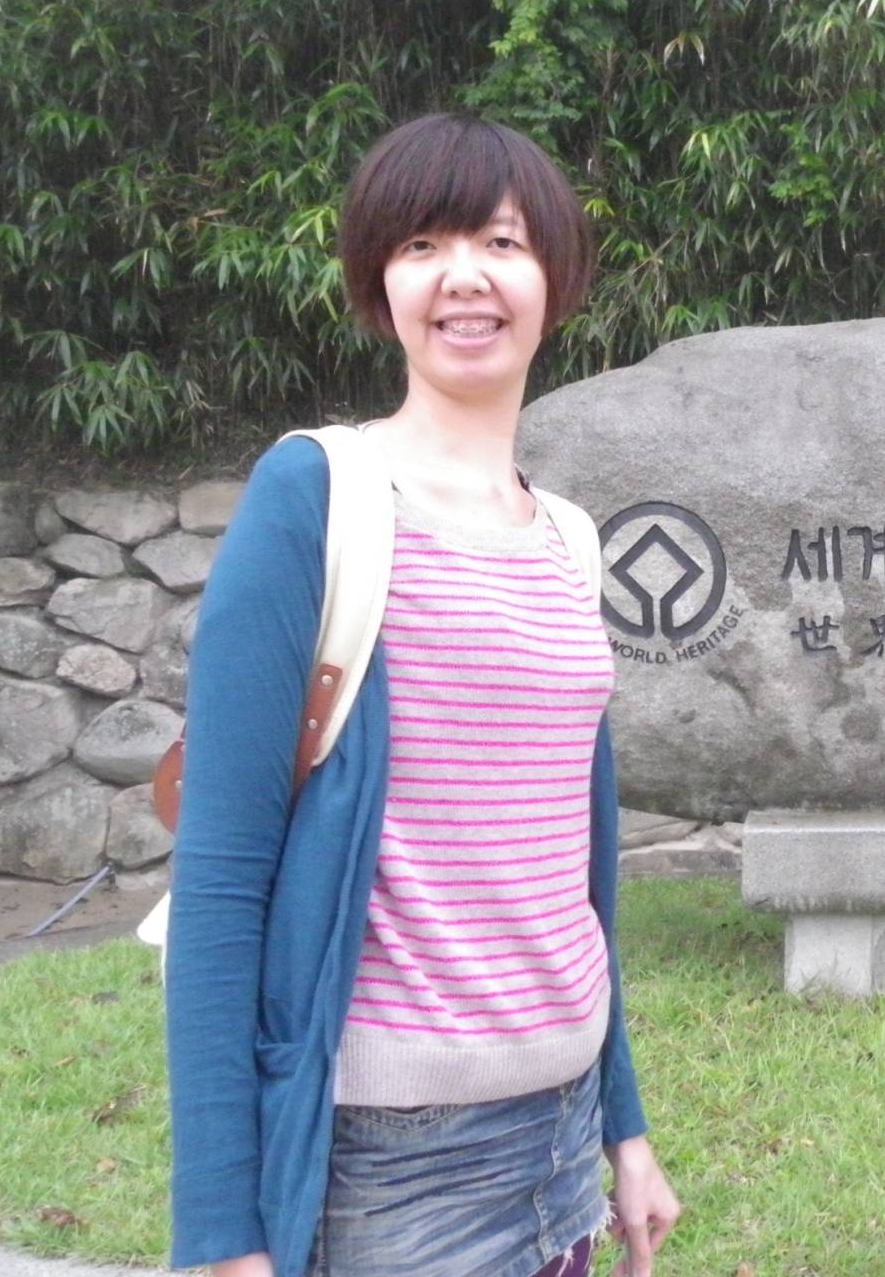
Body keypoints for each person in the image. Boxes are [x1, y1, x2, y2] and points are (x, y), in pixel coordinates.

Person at [164, 113, 679, 1277]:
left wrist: (623, 1126)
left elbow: (576, 882)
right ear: (378, 283)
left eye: (501, 242)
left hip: (562, 1140)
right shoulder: (316, 497)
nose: (463, 278)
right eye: (421, 245)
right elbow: (220, 881)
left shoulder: (572, 543)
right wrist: (219, 1235)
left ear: (555, 276)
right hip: (394, 1166)